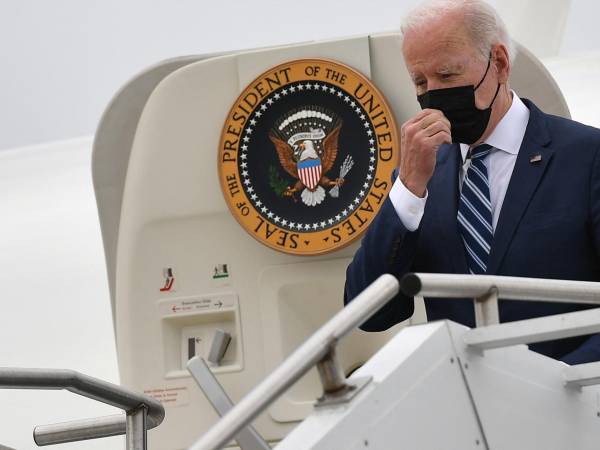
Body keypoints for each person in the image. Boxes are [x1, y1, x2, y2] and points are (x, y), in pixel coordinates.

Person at [344, 0, 600, 365]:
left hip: (575, 402)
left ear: (499, 63)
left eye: (447, 76)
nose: (432, 93)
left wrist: (555, 386)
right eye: (420, 81)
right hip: (471, 409)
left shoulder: (586, 157)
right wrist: (408, 189)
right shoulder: (421, 178)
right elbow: (368, 312)